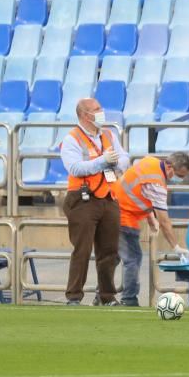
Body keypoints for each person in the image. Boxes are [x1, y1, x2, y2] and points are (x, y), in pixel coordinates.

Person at [60, 97, 131, 306]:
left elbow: (125, 157)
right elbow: (75, 168)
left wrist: (117, 162)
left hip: (108, 197)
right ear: (84, 115)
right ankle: (73, 296)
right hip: (83, 199)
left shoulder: (108, 134)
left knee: (109, 251)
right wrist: (103, 161)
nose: (102, 112)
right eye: (97, 109)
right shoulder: (72, 139)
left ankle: (106, 295)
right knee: (82, 249)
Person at [115, 152, 189, 306]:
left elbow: (139, 190)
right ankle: (128, 298)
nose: (179, 179)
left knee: (112, 258)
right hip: (123, 215)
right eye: (179, 175)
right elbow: (164, 220)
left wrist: (149, 216)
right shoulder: (157, 182)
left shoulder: (151, 162)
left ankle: (103, 294)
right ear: (170, 167)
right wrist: (176, 247)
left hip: (117, 209)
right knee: (133, 258)